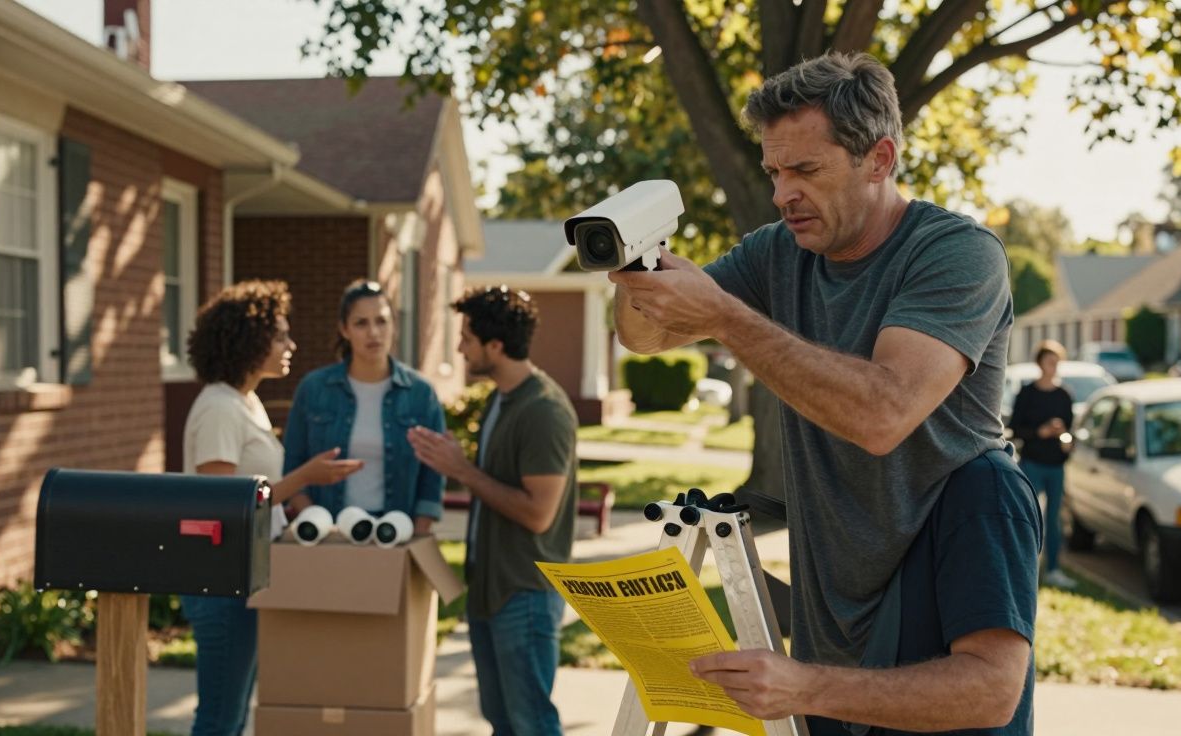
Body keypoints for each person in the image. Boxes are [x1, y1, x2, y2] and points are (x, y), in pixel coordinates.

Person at [609, 52, 1040, 735]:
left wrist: (723, 316)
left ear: (879, 158)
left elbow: (883, 413)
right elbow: (646, 338)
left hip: (937, 585)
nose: (783, 195)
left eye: (806, 171)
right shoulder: (777, 252)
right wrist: (639, 271)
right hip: (830, 647)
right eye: (775, 172)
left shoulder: (956, 254)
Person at [181, 279, 363, 736]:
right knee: (219, 718)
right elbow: (220, 503)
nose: (291, 344)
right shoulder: (221, 408)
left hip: (244, 574)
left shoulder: (246, 402)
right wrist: (305, 478)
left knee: (231, 714)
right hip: (219, 583)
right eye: (280, 335)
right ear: (249, 340)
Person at [407, 285, 578, 736]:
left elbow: (538, 513)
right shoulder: (500, 401)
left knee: (532, 723)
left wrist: (462, 470)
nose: (460, 347)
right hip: (490, 591)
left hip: (524, 593)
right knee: (502, 721)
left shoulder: (544, 411)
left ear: (495, 346)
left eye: (466, 337)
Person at [282, 279, 446, 530]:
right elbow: (294, 465)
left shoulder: (420, 394)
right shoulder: (314, 389)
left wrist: (415, 533)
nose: (374, 332)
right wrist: (318, 523)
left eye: (381, 321)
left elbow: (433, 477)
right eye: (361, 323)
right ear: (344, 330)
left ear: (394, 325)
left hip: (396, 531)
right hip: (329, 530)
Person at [1008, 340, 1076, 589]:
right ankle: (1025, 569)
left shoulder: (1064, 394)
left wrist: (1065, 438)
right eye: (1050, 361)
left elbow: (1071, 431)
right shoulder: (1027, 394)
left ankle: (1054, 569)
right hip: (1032, 464)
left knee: (1055, 519)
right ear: (1040, 364)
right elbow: (1015, 429)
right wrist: (1040, 431)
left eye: (1057, 362)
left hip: (1056, 466)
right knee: (1029, 518)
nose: (1054, 366)